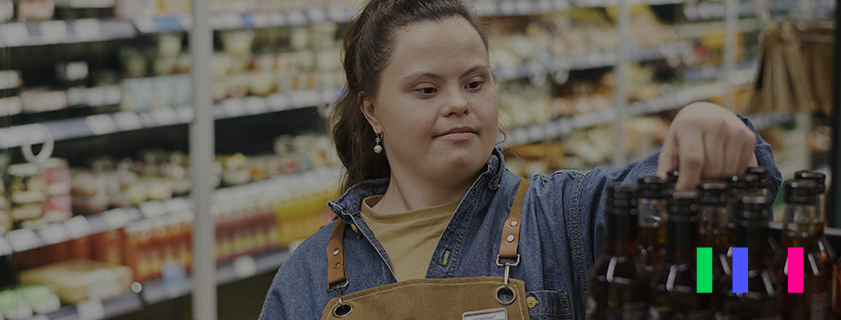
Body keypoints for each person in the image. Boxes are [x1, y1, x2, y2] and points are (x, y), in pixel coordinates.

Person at [259, 0, 780, 319]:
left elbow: (740, 257)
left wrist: (712, 131)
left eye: (474, 82)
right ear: (372, 111)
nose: (459, 102)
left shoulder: (564, 218)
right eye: (426, 89)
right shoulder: (305, 279)